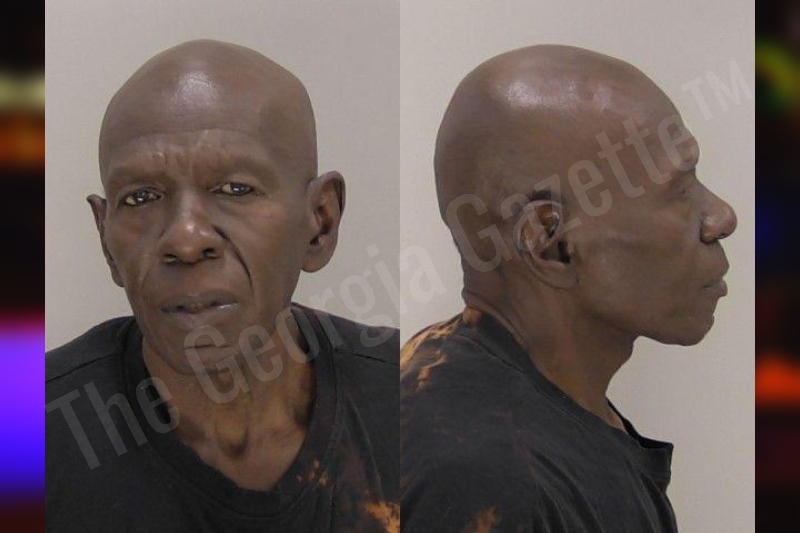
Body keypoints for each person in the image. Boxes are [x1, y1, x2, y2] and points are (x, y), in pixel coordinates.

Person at [46, 40, 398, 533]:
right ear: (106, 239)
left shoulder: (415, 404)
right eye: (141, 197)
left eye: (236, 189)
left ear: (319, 222)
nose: (186, 240)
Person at [400, 45, 737, 532]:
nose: (721, 217)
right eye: (679, 191)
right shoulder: (492, 484)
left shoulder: (525, 409)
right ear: (550, 243)